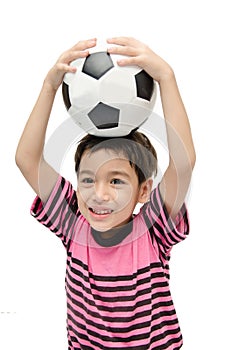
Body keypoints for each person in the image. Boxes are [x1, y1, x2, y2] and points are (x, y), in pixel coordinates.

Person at [15, 37, 196, 349]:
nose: (99, 194)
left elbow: (183, 163)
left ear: (143, 191)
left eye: (116, 182)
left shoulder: (152, 230)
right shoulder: (73, 225)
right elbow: (27, 160)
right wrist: (49, 87)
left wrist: (166, 77)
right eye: (87, 180)